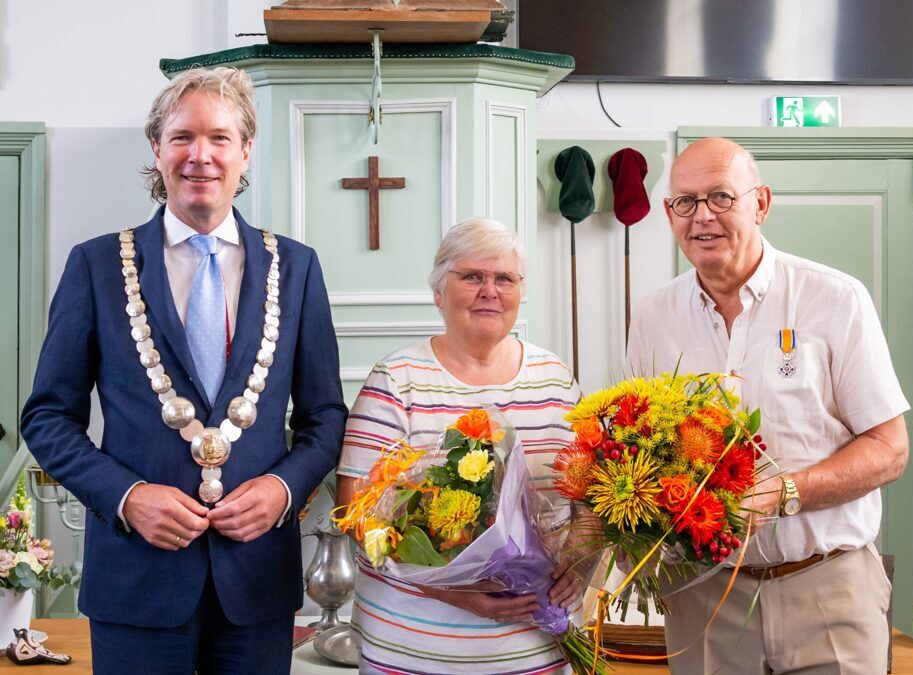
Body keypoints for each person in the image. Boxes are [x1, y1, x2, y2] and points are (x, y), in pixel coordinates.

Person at [20, 67, 348, 673]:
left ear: (246, 151)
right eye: (183, 137)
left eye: (220, 138)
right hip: (135, 583)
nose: (202, 156)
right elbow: (46, 419)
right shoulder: (95, 265)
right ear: (156, 149)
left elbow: (326, 416)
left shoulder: (297, 269)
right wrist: (127, 496)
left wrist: (280, 491)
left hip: (256, 585)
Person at [626, 137, 909, 674]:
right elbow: (643, 450)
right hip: (702, 596)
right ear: (668, 213)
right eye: (685, 202)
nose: (702, 216)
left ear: (761, 203)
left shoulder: (836, 299)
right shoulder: (654, 316)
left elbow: (890, 450)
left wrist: (783, 493)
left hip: (827, 588)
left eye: (721, 197)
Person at [336, 218, 584, 674]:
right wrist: (449, 589)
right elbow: (356, 511)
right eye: (472, 276)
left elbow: (592, 496)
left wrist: (583, 563)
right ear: (438, 292)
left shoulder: (555, 379)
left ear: (519, 291)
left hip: (535, 650)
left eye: (504, 278)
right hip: (412, 651)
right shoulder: (396, 380)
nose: (490, 290)